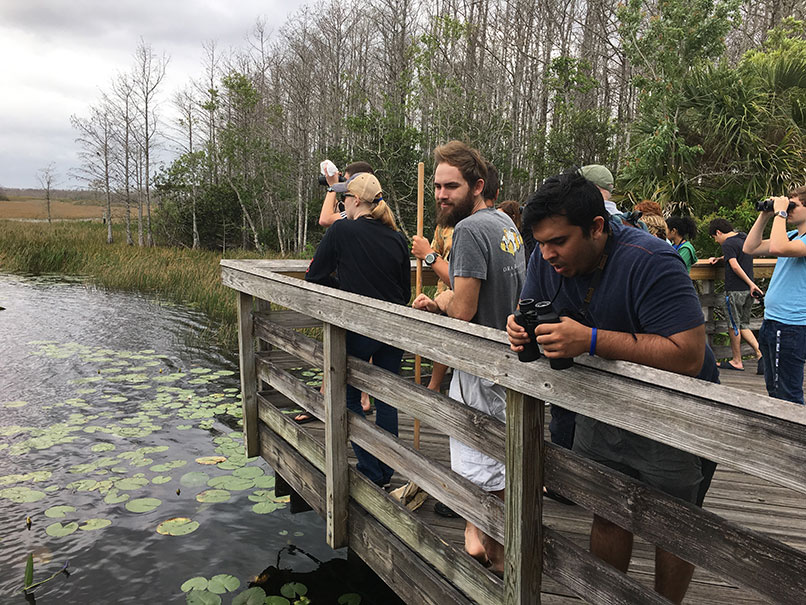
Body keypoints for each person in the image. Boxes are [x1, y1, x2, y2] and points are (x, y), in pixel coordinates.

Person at [506, 170, 719, 604]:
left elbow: (689, 355)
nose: (546, 254)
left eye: (559, 242)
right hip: (601, 404)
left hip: (675, 413)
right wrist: (519, 329)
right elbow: (529, 308)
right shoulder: (544, 259)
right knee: (606, 515)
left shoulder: (652, 261)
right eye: (540, 242)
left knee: (673, 529)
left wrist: (592, 340)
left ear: (597, 227)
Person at [412, 141, 525, 572]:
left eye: (451, 187)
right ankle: (483, 538)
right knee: (497, 458)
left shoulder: (470, 232)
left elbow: (464, 308)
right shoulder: (506, 225)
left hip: (483, 365)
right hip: (510, 362)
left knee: (484, 467)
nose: (441, 195)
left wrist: (438, 301)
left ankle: (495, 556)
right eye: (438, 187)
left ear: (477, 186)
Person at [305, 172, 411, 487]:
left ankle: (370, 470)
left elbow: (314, 276)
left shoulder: (342, 230)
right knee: (386, 399)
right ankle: (387, 470)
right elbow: (402, 293)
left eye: (343, 197)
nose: (341, 203)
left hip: (359, 329)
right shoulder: (397, 238)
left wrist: (342, 287)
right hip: (392, 331)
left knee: (348, 396)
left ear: (355, 201)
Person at [319, 161, 376, 413]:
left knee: (348, 345)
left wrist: (333, 188)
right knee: (366, 344)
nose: (344, 186)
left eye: (348, 182)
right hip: (370, 289)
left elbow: (324, 220)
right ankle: (351, 396)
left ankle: (349, 398)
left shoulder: (358, 213)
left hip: (354, 289)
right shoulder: (375, 212)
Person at [743, 187, 806, 405]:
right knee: (774, 388)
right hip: (772, 321)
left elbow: (778, 247)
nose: (788, 210)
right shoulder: (790, 236)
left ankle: (795, 437)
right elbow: (750, 247)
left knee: (788, 393)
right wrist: (765, 215)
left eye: (793, 206)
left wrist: (780, 213)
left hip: (792, 326)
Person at [707, 218, 764, 373]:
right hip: (747, 291)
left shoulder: (727, 244)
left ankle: (737, 361)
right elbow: (735, 257)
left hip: (735, 290)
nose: (716, 241)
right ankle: (761, 353)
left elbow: (734, 265)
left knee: (733, 325)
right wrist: (719, 259)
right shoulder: (743, 237)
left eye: (714, 238)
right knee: (743, 324)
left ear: (718, 232)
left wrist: (752, 283)